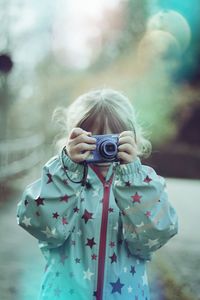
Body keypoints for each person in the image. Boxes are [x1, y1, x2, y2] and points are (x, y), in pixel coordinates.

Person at [17, 88, 178, 300]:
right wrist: (66, 170)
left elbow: (157, 233)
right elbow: (39, 224)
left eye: (112, 140)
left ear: (133, 138)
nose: (105, 148)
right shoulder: (61, 179)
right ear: (71, 139)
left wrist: (133, 179)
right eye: (93, 140)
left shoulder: (143, 183)